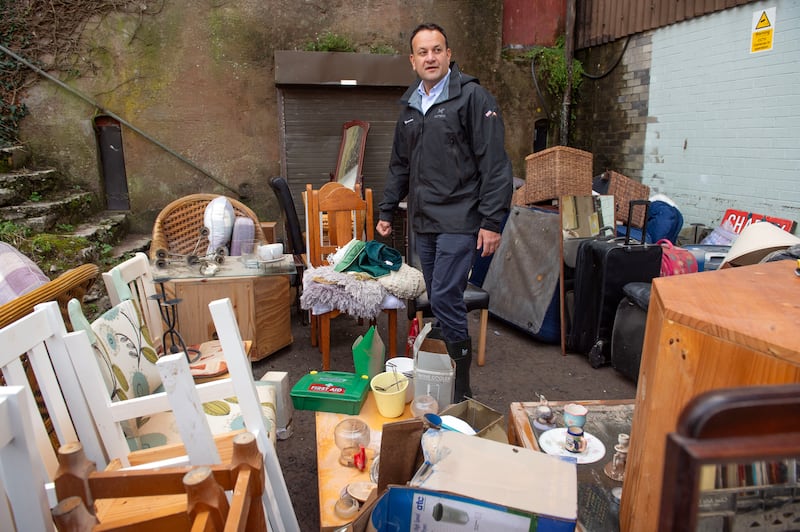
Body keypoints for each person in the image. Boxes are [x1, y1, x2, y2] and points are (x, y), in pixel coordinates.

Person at [376, 22, 513, 401]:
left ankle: (461, 392)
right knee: (437, 299)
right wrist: (387, 208)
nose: (431, 57)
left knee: (446, 297)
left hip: (461, 219)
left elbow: (495, 164)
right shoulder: (409, 107)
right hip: (425, 221)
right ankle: (444, 375)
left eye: (437, 50)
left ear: (449, 55)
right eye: (423, 52)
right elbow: (399, 165)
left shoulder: (472, 98)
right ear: (413, 60)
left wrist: (491, 221)